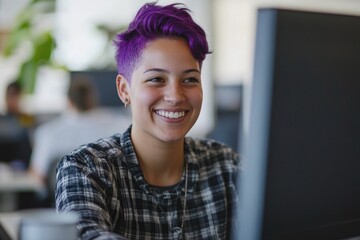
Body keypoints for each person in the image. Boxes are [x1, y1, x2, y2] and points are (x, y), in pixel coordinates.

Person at [55, 2, 240, 239]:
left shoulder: (228, 167)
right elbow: (87, 235)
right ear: (124, 90)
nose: (175, 96)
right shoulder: (86, 169)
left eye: (190, 79)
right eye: (156, 79)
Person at [29, 76, 129, 183]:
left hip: (60, 198)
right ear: (92, 99)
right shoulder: (118, 126)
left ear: (69, 101)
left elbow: (37, 174)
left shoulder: (47, 132)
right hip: (104, 197)